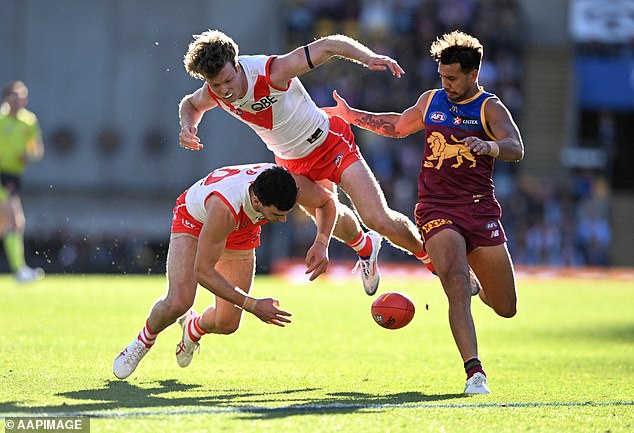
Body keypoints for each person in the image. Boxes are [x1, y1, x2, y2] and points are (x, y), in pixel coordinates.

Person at [326, 30, 524, 394]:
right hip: (436, 209)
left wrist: (490, 146)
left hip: (480, 210)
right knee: (453, 280)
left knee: (506, 307)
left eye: (452, 78)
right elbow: (399, 125)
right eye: (442, 77)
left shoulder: (489, 108)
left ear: (473, 74)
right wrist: (352, 115)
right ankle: (475, 373)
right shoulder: (431, 100)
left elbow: (516, 147)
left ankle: (476, 284)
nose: (445, 84)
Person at [178, 29, 439, 296]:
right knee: (329, 218)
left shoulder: (272, 72)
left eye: (227, 81)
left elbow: (328, 45)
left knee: (377, 219)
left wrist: (368, 57)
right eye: (216, 85)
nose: (224, 91)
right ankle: (367, 248)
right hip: (291, 163)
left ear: (236, 63)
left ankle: (435, 264)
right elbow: (191, 105)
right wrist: (188, 127)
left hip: (328, 142)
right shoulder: (214, 90)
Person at [113, 163, 336, 379]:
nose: (283, 219)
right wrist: (253, 305)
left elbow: (327, 202)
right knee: (180, 301)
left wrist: (321, 242)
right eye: (277, 214)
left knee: (227, 323)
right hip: (195, 219)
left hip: (242, 227)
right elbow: (203, 272)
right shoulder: (225, 209)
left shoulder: (288, 183)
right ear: (257, 201)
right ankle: (143, 341)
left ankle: (193, 327)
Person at [0, 81, 45, 282]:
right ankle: (19, 270)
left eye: (22, 97)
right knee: (16, 222)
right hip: (1, 175)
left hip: (14, 177)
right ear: (7, 98)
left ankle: (19, 269)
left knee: (3, 225)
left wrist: (29, 155)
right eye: (14, 97)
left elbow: (37, 149)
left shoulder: (28, 121)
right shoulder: (0, 119)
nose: (18, 101)